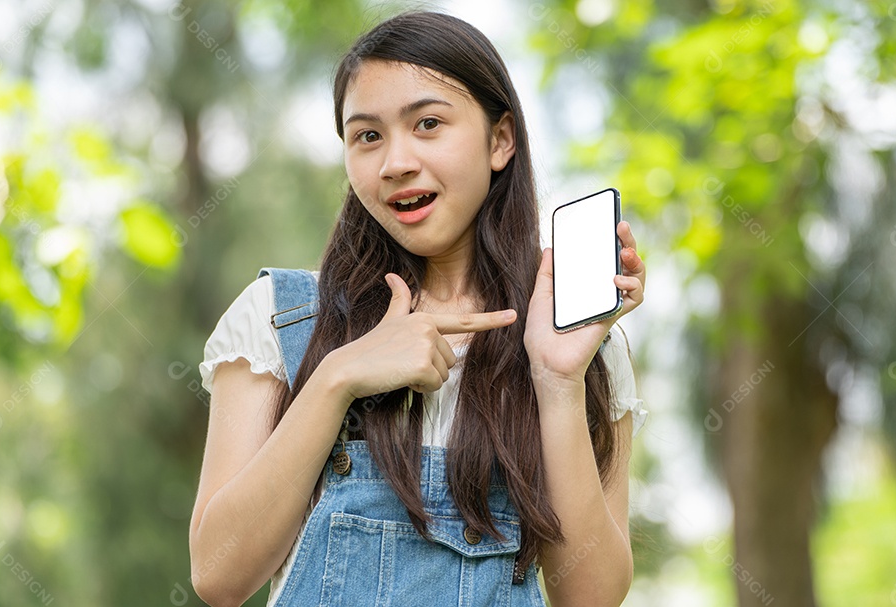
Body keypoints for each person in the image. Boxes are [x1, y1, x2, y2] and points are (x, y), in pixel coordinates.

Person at [189, 11, 647, 607]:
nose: (394, 162)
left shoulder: (584, 341)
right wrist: (340, 376)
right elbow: (218, 576)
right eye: (367, 136)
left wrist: (557, 379)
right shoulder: (282, 318)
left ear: (500, 140)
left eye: (427, 123)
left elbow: (589, 598)